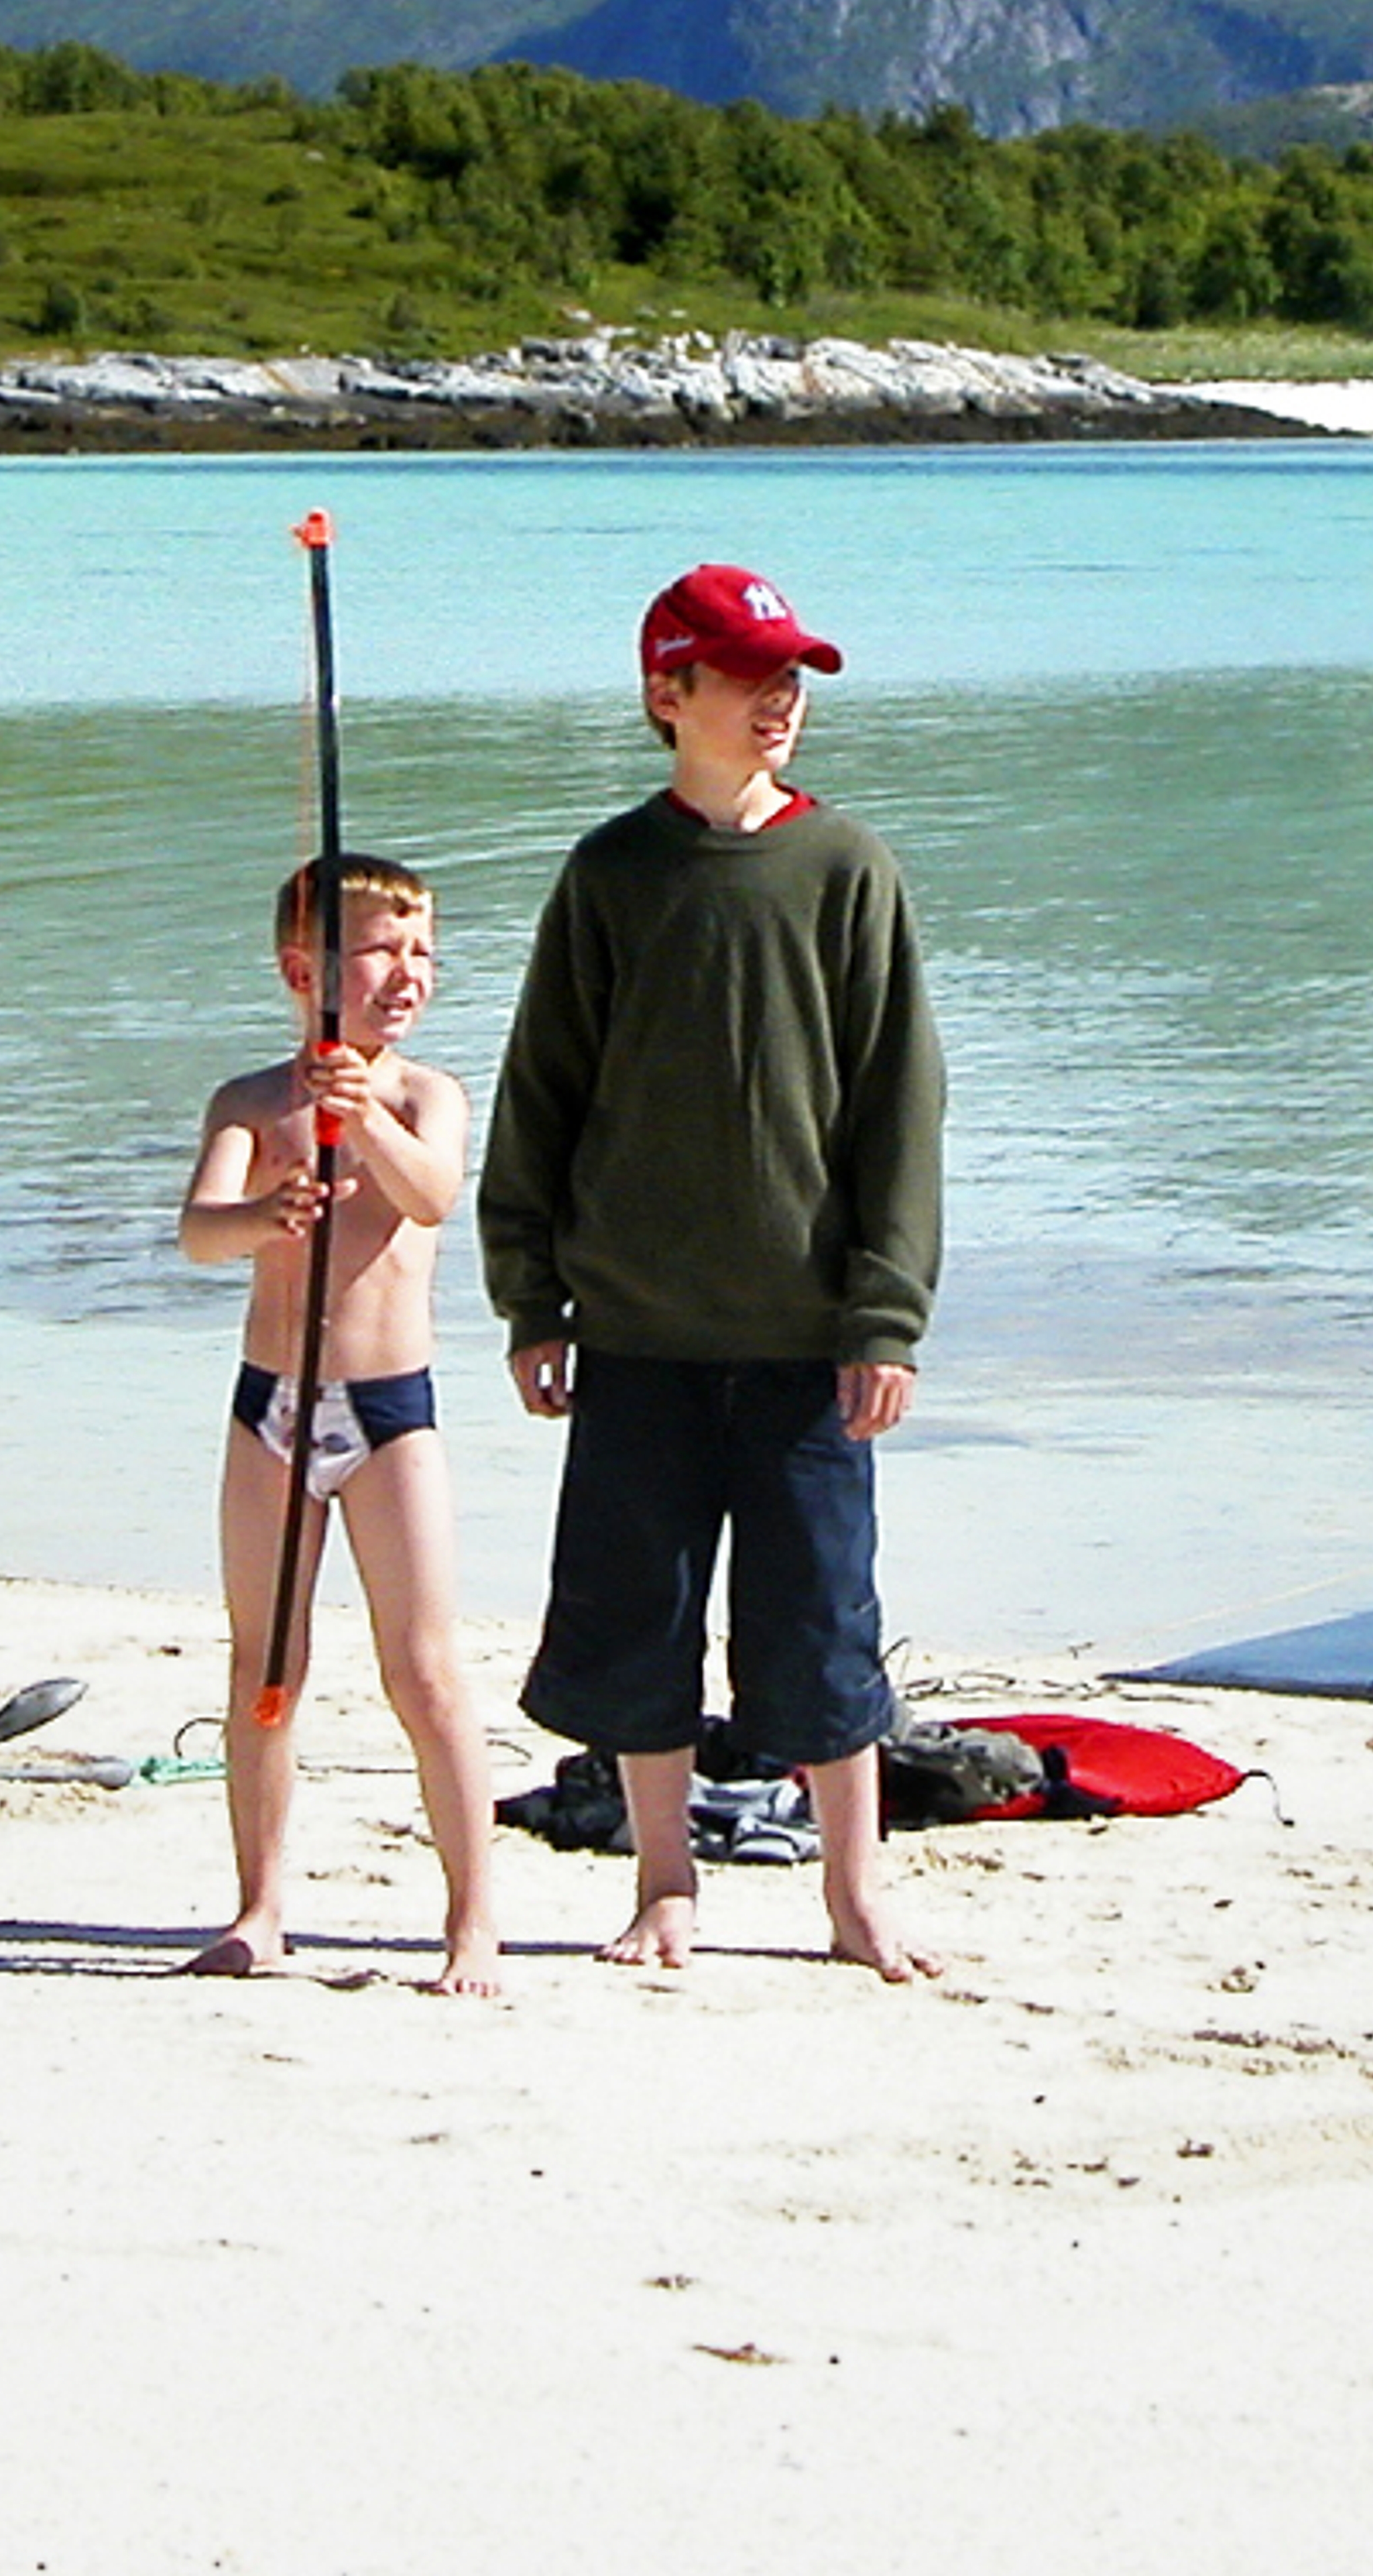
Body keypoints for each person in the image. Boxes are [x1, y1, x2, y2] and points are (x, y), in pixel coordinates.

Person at [479, 563, 947, 1981]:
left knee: (822, 1621)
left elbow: (896, 1106)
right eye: (750, 676)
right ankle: (664, 1881)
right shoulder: (611, 873)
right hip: (636, 1330)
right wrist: (529, 1295)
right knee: (638, 1619)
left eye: (791, 675)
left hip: (810, 1335)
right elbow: (540, 1094)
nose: (781, 699)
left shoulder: (846, 865)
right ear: (667, 695)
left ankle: (854, 1895)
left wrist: (887, 1312)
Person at [178, 852, 499, 1994]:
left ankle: (471, 1921)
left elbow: (431, 1196)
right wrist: (265, 1210)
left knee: (424, 1671)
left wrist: (362, 1121)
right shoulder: (253, 1103)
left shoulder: (424, 1096)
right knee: (268, 1659)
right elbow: (200, 1231)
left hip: (388, 1415)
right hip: (270, 1404)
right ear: (301, 968)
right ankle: (260, 1905)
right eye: (379, 950)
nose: (406, 973)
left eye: (422, 953)